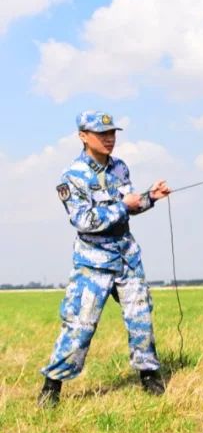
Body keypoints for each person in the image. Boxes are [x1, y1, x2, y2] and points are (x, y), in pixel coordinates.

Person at [38, 111, 172, 407]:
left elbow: (131, 205)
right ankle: (52, 386)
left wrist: (150, 197)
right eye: (102, 134)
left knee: (141, 318)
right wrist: (124, 205)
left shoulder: (120, 168)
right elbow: (84, 220)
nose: (109, 139)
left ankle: (149, 375)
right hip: (93, 262)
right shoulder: (72, 177)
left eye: (112, 133)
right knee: (79, 324)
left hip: (127, 257)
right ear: (83, 136)